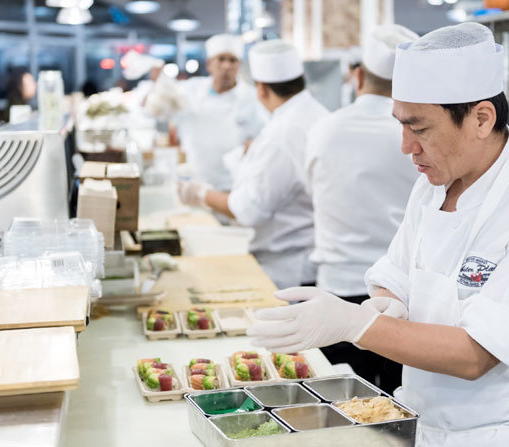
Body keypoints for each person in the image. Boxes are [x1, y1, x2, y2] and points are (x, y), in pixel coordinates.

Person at [247, 22, 509, 446]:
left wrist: (354, 323)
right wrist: (387, 306)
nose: (405, 146)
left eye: (418, 129)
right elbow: (396, 274)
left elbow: (476, 354)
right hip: (420, 423)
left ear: (481, 118)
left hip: (500, 435)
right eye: (400, 125)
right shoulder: (437, 181)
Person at [305, 24, 420, 393]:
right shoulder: (417, 134)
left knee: (339, 409)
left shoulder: (324, 129)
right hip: (401, 300)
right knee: (397, 410)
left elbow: (313, 194)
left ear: (357, 76)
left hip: (337, 291)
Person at [177, 40, 329, 289]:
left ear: (261, 90)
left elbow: (247, 210)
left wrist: (199, 193)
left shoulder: (281, 134)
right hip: (309, 257)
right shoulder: (318, 114)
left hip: (287, 267)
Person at [147, 34, 266, 191]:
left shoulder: (252, 97)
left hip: (235, 185)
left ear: (239, 65)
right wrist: (160, 84)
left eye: (232, 60)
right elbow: (157, 112)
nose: (227, 66)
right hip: (194, 181)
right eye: (221, 59)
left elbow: (264, 138)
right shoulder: (190, 90)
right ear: (209, 64)